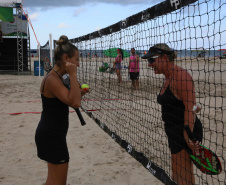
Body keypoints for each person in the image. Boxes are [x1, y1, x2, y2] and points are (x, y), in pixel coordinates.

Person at [142, 43, 203, 185]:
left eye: (152, 60)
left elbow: (189, 109)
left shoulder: (181, 76)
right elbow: (188, 105)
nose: (150, 65)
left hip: (185, 131)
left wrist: (188, 138)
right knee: (178, 175)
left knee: (183, 177)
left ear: (164, 57)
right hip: (174, 131)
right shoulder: (168, 76)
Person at [35, 35, 87, 185]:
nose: (78, 63)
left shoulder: (58, 76)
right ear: (66, 58)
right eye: (76, 59)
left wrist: (79, 92)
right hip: (51, 136)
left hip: (52, 135)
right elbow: (75, 103)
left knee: (52, 181)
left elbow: (70, 100)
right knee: (58, 182)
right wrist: (73, 74)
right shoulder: (52, 79)